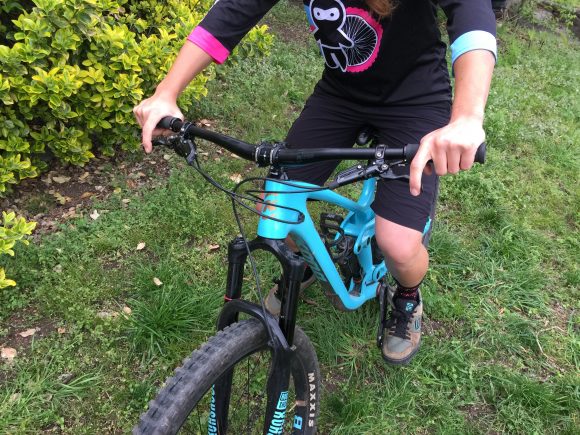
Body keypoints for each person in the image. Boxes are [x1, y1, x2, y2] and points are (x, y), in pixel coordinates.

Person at [133, 0, 496, 365]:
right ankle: (308, 261)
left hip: (416, 102)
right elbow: (232, 12)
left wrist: (466, 117)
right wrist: (167, 92)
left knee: (398, 246)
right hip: (341, 96)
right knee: (276, 208)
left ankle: (407, 296)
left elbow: (471, 12)